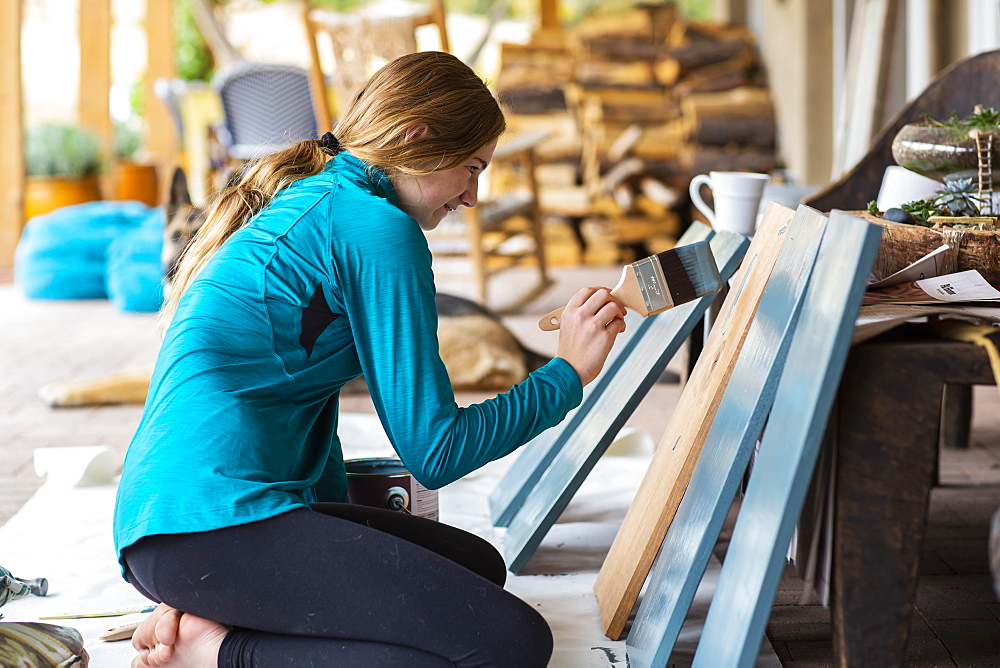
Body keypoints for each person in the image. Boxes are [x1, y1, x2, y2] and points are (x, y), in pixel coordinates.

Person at [114, 50, 626, 668]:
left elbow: (311, 405)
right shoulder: (376, 227)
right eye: (470, 168)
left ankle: (209, 606)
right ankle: (217, 648)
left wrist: (341, 542)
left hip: (179, 522)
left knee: (477, 565)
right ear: (417, 139)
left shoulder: (324, 196)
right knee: (510, 643)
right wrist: (566, 374)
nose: (472, 195)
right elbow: (437, 452)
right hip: (206, 527)